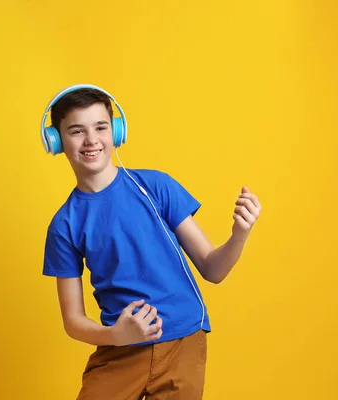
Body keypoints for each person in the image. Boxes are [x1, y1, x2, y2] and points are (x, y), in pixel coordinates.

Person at [40, 84, 261, 400]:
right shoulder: (64, 225)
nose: (91, 140)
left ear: (116, 132)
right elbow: (73, 321)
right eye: (77, 130)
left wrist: (239, 235)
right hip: (120, 349)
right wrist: (116, 335)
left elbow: (213, 270)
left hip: (182, 341)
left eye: (100, 127)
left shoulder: (156, 187)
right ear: (57, 140)